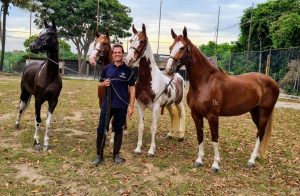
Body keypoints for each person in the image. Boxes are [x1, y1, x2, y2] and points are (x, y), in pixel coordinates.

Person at [92, 44, 135, 166]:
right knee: (101, 129)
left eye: (119, 52)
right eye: (115, 52)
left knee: (118, 130)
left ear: (123, 54)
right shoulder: (107, 68)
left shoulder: (128, 70)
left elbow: (132, 89)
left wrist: (131, 106)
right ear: (112, 54)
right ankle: (99, 155)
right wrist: (103, 84)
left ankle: (116, 155)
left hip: (121, 105)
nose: (117, 54)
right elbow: (99, 84)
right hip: (107, 104)